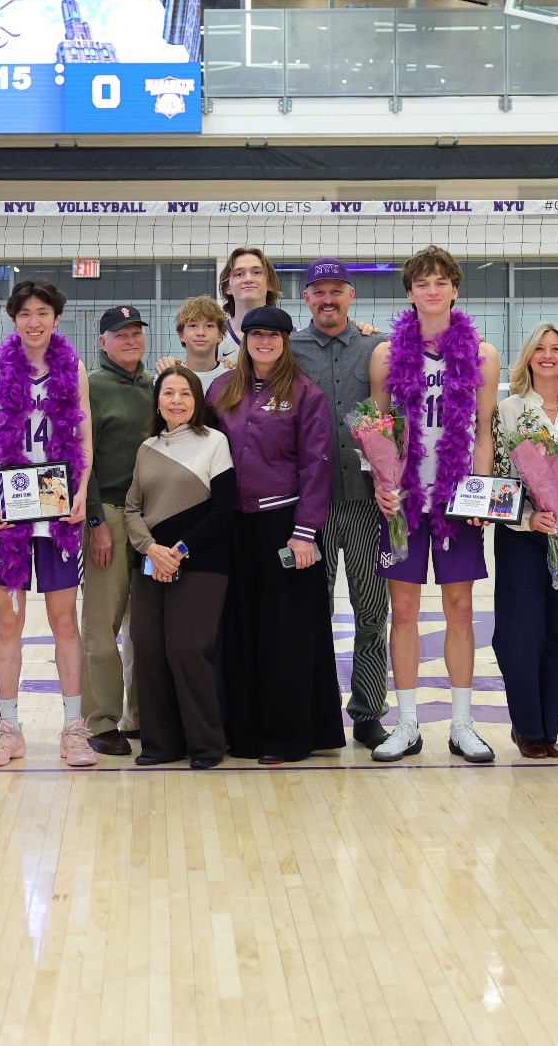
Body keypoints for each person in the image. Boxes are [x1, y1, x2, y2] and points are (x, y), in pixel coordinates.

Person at [366, 247, 501, 765]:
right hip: (402, 499)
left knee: (460, 608)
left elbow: (485, 432)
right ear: (410, 292)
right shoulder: (385, 355)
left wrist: (481, 494)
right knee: (402, 610)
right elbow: (375, 427)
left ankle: (463, 724)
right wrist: (381, 480)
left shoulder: (482, 355)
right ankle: (405, 723)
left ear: (455, 290)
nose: (433, 290)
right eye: (423, 282)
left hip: (456, 498)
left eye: (441, 281)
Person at [206, 306, 344, 764]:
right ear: (243, 338)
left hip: (285, 528)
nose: (265, 341)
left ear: (287, 340)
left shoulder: (305, 392)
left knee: (285, 635)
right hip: (232, 527)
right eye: (256, 334)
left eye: (274, 334)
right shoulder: (222, 389)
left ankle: (286, 737)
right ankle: (241, 733)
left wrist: (304, 533)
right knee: (238, 631)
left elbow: (317, 465)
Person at [0, 280, 97, 769]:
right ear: (13, 318)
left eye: (43, 311)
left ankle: (73, 727)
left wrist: (83, 489)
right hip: (8, 506)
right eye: (24, 313)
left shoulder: (75, 368)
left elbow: (84, 439)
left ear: (56, 318)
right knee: (8, 621)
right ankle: (8, 729)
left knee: (64, 620)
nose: (34, 321)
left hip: (60, 505)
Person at [287, 259, 388, 746]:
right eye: (318, 292)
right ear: (306, 298)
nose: (328, 299)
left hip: (369, 502)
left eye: (336, 291)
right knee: (311, 613)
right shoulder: (287, 351)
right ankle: (315, 707)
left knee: (372, 610)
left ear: (351, 296)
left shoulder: (377, 346)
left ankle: (368, 711)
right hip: (312, 505)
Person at [491, 323, 558, 760]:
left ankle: (549, 727)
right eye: (540, 349)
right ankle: (528, 727)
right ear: (528, 357)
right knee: (520, 631)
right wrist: (530, 517)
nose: (548, 356)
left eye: (556, 349)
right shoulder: (509, 409)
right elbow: (498, 477)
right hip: (522, 531)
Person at [124, 367, 235, 768]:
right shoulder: (147, 447)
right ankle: (161, 744)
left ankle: (206, 745)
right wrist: (152, 549)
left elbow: (223, 509)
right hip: (151, 562)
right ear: (157, 400)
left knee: (186, 649)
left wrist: (180, 550)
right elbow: (133, 508)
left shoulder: (214, 442)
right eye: (168, 393)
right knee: (148, 646)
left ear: (197, 400)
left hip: (201, 563)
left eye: (184, 393)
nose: (176, 401)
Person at [80, 305, 154, 756]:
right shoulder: (91, 387)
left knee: (144, 627)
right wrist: (94, 522)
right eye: (119, 335)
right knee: (102, 626)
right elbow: (80, 459)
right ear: (103, 343)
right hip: (107, 513)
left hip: (151, 518)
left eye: (135, 333)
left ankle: (141, 715)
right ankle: (101, 720)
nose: (129, 340)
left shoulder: (156, 386)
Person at [217, 247, 277, 363]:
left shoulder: (292, 337)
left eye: (257, 272)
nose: (248, 279)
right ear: (228, 287)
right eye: (239, 274)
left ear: (270, 283)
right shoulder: (214, 338)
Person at [174, 296, 230, 392]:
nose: (201, 332)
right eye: (193, 325)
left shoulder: (233, 378)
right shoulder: (166, 378)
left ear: (220, 335)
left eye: (209, 326)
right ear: (181, 335)